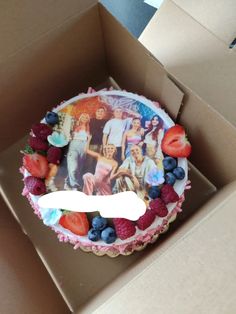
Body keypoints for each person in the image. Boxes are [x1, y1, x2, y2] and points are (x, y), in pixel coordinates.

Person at [65, 113, 91, 189]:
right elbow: (69, 135)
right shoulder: (74, 125)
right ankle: (74, 184)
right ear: (80, 118)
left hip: (84, 146)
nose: (85, 118)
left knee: (79, 166)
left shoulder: (88, 127)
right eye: (83, 117)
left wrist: (87, 148)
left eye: (86, 117)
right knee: (73, 167)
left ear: (88, 119)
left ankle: (68, 182)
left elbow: (88, 139)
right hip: (74, 144)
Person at [85, 106, 107, 173]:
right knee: (89, 162)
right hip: (91, 144)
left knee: (98, 163)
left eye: (102, 111)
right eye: (98, 111)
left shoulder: (106, 122)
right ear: (96, 112)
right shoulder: (90, 120)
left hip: (101, 145)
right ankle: (86, 178)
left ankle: (95, 179)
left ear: (104, 113)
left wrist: (104, 145)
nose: (100, 113)